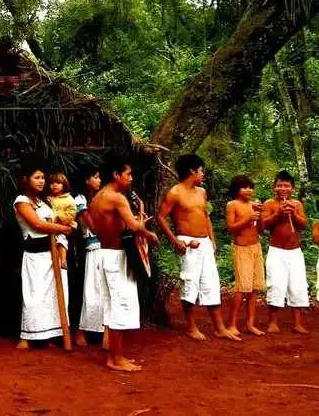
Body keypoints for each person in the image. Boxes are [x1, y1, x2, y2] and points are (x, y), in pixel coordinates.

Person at [156, 154, 238, 341]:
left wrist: (212, 239)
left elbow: (205, 215)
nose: (203, 174)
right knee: (190, 283)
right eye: (201, 170)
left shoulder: (201, 192)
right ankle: (191, 327)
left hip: (205, 243)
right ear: (192, 171)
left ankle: (219, 327)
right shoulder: (175, 192)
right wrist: (176, 241)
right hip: (187, 242)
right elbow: (161, 216)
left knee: (211, 282)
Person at [88, 156, 159, 372]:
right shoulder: (117, 198)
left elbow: (117, 226)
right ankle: (116, 358)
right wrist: (149, 234)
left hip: (104, 254)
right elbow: (133, 227)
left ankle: (114, 355)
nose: (131, 178)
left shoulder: (97, 197)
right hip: (117, 257)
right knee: (121, 304)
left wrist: (138, 224)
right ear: (116, 175)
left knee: (112, 305)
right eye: (128, 174)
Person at [14, 161, 72, 350]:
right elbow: (37, 225)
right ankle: (28, 336)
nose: (41, 181)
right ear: (26, 179)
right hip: (35, 255)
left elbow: (53, 220)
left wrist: (62, 224)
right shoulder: (21, 201)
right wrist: (63, 228)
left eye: (42, 178)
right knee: (34, 297)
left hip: (52, 253)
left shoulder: (45, 201)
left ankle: (48, 335)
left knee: (53, 298)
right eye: (36, 177)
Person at [261, 170, 309, 334]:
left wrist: (294, 214)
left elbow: (303, 225)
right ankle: (273, 322)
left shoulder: (297, 204)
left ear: (292, 189)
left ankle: (297, 323)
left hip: (295, 252)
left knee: (298, 286)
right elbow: (264, 225)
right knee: (276, 285)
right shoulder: (269, 204)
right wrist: (278, 213)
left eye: (286, 185)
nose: (283, 188)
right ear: (274, 187)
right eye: (279, 185)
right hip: (277, 251)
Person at [225, 175, 265, 336]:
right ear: (236, 189)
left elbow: (261, 229)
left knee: (255, 288)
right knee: (242, 288)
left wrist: (259, 215)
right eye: (244, 187)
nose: (248, 190)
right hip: (241, 249)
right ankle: (232, 325)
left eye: (250, 187)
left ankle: (250, 324)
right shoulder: (232, 205)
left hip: (256, 247)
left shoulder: (254, 205)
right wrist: (249, 218)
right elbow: (231, 228)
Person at [74, 166, 104, 347]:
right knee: (90, 291)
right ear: (86, 180)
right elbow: (92, 226)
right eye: (95, 176)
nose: (99, 180)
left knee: (101, 291)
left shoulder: (98, 199)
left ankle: (101, 332)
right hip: (92, 247)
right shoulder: (80, 200)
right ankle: (81, 332)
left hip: (103, 247)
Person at [45, 172, 77, 269]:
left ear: (64, 185)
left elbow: (72, 213)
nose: (55, 185)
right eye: (52, 183)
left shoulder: (68, 199)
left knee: (61, 239)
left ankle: (63, 260)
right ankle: (55, 259)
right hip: (51, 225)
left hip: (64, 224)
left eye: (58, 183)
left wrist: (61, 217)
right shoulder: (48, 198)